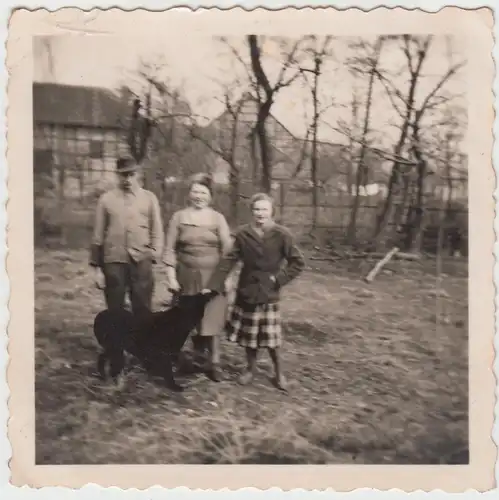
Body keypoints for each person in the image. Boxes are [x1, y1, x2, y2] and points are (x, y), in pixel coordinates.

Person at [207, 192, 305, 391]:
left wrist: (278, 279)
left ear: (272, 212)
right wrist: (214, 283)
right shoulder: (243, 234)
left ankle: (279, 374)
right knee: (250, 336)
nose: (260, 213)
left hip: (269, 293)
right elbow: (229, 260)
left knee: (271, 338)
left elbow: (298, 262)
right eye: (257, 209)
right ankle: (250, 369)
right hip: (247, 290)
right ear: (252, 211)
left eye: (264, 209)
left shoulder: (282, 234)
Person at [163, 173, 232, 382]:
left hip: (212, 276)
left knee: (212, 318)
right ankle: (189, 360)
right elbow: (169, 249)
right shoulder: (178, 217)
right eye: (195, 191)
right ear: (189, 193)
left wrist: (225, 278)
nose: (198, 196)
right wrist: (170, 277)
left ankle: (215, 363)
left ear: (210, 196)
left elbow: (228, 251)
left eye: (203, 192)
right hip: (186, 275)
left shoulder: (218, 218)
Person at [90, 157, 164, 317]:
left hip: (142, 260)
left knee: (143, 307)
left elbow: (157, 230)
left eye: (131, 174)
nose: (128, 179)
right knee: (115, 308)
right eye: (124, 175)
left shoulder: (149, 198)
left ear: (138, 174)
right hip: (113, 261)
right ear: (117, 175)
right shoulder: (106, 199)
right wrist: (97, 269)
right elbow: (98, 235)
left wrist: (154, 254)